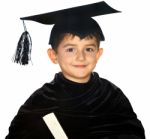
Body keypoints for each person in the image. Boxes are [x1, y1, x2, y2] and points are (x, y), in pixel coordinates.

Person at [6, 1, 145, 139]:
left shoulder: (111, 95)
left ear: (98, 54)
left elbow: (133, 132)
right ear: (53, 55)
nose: (81, 57)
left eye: (89, 49)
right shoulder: (41, 101)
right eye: (70, 49)